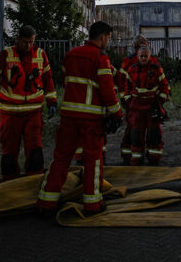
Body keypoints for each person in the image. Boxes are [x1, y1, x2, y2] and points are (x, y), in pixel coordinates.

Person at [37, 21, 122, 216]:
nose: (108, 42)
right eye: (108, 38)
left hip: (68, 117)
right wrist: (117, 113)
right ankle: (93, 204)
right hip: (91, 119)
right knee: (93, 160)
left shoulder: (71, 55)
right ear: (102, 37)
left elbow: (65, 81)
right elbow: (108, 90)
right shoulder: (100, 58)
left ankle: (46, 202)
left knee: (61, 158)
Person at [0, 25, 56, 181]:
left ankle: (34, 180)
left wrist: (52, 101)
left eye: (31, 42)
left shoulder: (41, 55)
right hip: (11, 114)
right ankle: (10, 182)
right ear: (18, 40)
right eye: (25, 42)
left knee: (35, 151)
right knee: (9, 152)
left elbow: (48, 80)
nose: (29, 46)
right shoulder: (6, 55)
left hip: (34, 113)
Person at [122, 45, 170, 165]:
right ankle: (137, 159)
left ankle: (154, 159)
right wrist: (129, 102)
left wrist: (159, 102)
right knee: (136, 134)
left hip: (151, 106)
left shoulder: (156, 69)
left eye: (145, 56)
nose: (143, 58)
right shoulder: (131, 69)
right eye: (141, 56)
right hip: (136, 108)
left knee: (154, 134)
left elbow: (164, 86)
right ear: (137, 56)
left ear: (150, 56)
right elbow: (127, 87)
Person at [117, 34, 150, 164]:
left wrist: (124, 100)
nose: (147, 44)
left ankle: (131, 156)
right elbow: (121, 82)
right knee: (136, 130)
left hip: (139, 103)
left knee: (134, 129)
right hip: (136, 104)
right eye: (145, 42)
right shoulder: (132, 61)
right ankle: (132, 157)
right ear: (140, 44)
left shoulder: (146, 59)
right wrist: (125, 100)